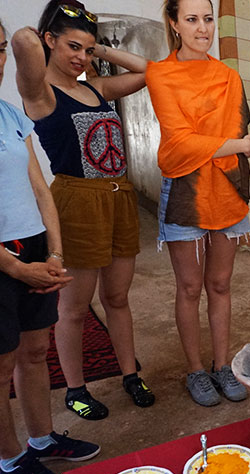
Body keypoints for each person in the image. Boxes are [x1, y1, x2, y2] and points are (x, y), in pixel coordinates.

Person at [11, 0, 153, 420]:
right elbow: (21, 41)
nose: (80, 57)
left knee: (118, 297)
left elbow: (148, 73)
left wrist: (99, 53)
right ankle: (76, 388)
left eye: (87, 50)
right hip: (77, 201)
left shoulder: (94, 87)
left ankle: (129, 373)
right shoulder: (40, 94)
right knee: (74, 307)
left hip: (119, 198)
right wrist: (40, 33)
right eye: (72, 46)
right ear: (49, 40)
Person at [0, 19, 99, 474]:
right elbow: (25, 39)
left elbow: (40, 188)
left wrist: (55, 252)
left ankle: (41, 439)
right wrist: (16, 266)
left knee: (35, 353)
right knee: (1, 367)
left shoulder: (8, 115)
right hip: (4, 258)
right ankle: (9, 458)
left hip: (36, 245)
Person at [146, 0, 250, 407]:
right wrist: (236, 145)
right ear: (174, 24)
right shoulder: (161, 74)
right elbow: (178, 143)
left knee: (220, 284)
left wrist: (229, 144)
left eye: (208, 19)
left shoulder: (228, 76)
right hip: (185, 194)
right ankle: (195, 370)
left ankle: (222, 365)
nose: (202, 28)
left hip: (226, 189)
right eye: (191, 20)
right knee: (190, 287)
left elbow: (227, 132)